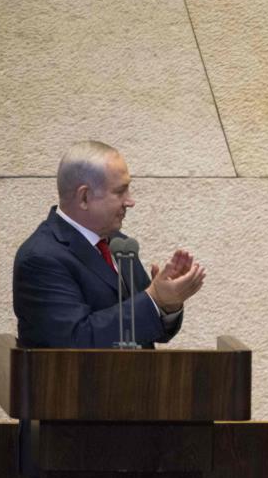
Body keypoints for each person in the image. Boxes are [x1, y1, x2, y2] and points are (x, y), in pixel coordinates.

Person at [13, 140, 205, 348]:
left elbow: (151, 330)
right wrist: (155, 299)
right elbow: (75, 342)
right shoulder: (41, 257)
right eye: (120, 191)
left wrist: (169, 302)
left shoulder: (120, 244)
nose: (130, 201)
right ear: (84, 197)